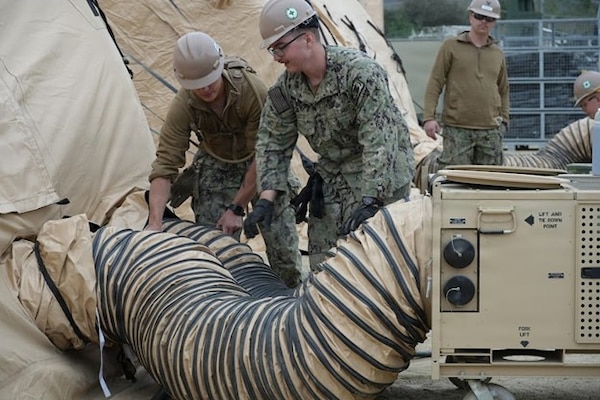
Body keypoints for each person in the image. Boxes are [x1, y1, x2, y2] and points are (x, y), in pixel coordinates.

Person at [243, 0, 415, 268]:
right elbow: (273, 143)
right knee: (324, 265)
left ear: (308, 39)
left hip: (381, 178)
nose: (275, 57)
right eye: (272, 49)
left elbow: (380, 140)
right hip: (333, 177)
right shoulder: (286, 89)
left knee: (376, 263)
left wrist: (372, 199)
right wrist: (266, 199)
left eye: (280, 47)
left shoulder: (359, 74)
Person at [147, 31, 305, 287]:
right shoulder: (184, 103)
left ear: (219, 67)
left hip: (262, 162)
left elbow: (264, 154)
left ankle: (291, 301)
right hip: (217, 163)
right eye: (197, 85)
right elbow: (165, 164)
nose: (205, 88)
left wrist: (237, 208)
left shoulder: (251, 91)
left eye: (209, 80)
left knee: (283, 250)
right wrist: (154, 225)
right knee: (216, 250)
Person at [422, 0, 509, 170]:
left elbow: (503, 89)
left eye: (489, 19)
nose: (483, 21)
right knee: (456, 181)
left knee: (491, 183)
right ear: (471, 16)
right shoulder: (450, 47)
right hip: (457, 129)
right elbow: (435, 82)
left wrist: (505, 120)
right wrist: (429, 118)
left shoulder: (498, 53)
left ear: (495, 22)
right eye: (479, 16)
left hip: (490, 131)